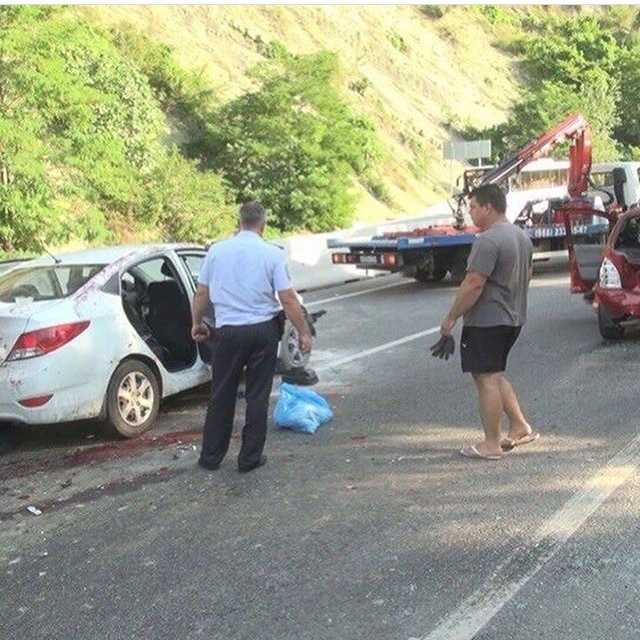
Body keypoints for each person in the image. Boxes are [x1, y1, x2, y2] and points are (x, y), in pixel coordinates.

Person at [191, 201, 313, 473]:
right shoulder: (271, 254)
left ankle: (211, 457)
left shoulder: (216, 252)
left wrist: (197, 323)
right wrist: (303, 331)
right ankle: (249, 458)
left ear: (239, 222)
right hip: (263, 331)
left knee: (221, 393)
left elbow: (201, 293)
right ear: (263, 225)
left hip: (228, 333)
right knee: (258, 395)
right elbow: (288, 298)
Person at [438, 183, 538, 460]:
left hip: (487, 321)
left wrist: (451, 318)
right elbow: (527, 277)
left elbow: (473, 283)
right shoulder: (521, 237)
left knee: (486, 380)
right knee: (493, 374)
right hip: (513, 318)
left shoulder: (488, 240)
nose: (470, 213)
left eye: (472, 207)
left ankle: (491, 444)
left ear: (488, 207)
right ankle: (519, 426)